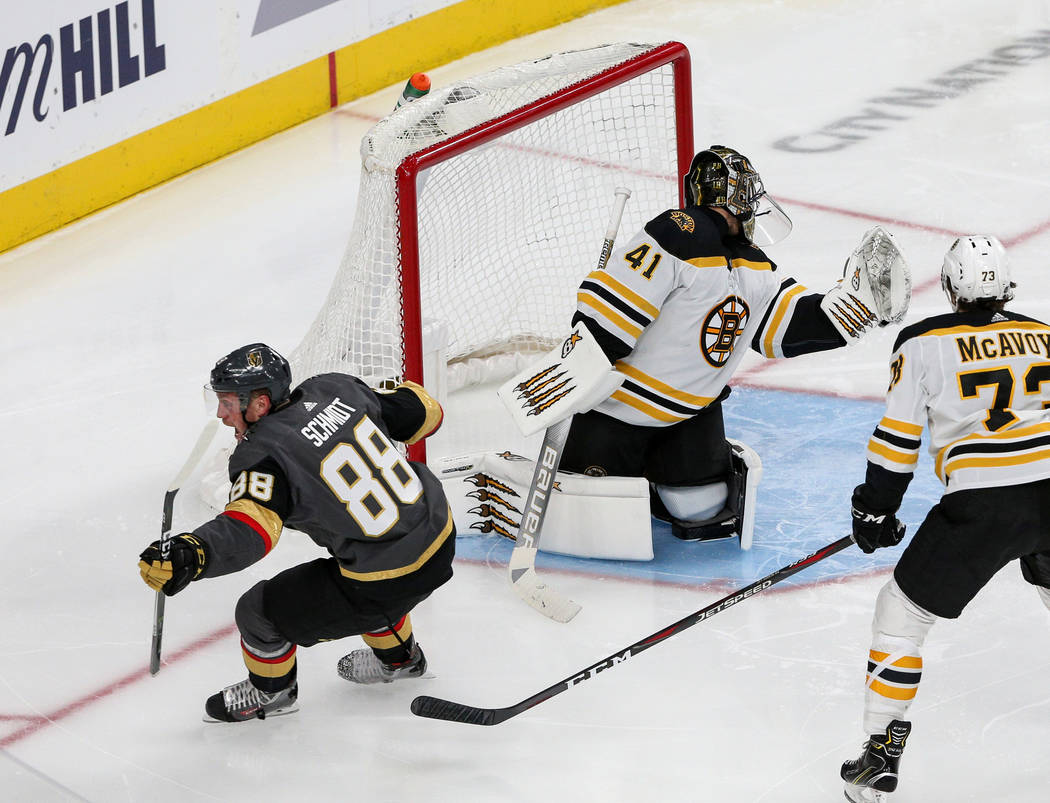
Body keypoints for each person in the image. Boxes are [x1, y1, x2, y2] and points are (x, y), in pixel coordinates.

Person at [557, 144, 911, 545]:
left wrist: (854, 308)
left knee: (692, 509)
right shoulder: (681, 232)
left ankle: (649, 473)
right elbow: (609, 321)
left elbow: (778, 327)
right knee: (622, 514)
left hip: (677, 419)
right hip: (624, 418)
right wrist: (588, 350)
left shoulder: (747, 259)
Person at [137, 343, 454, 723]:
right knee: (357, 577)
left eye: (227, 403)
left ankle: (272, 693)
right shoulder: (336, 388)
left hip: (386, 578)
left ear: (260, 403)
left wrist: (194, 552)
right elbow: (425, 415)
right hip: (439, 535)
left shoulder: (261, 455)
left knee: (257, 613)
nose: (221, 414)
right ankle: (402, 659)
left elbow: (251, 530)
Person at [840, 236, 1050, 802]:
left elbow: (898, 438)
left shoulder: (922, 341)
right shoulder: (1045, 334)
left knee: (901, 615)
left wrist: (876, 507)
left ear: (952, 286)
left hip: (984, 501)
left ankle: (879, 756)